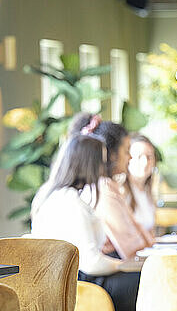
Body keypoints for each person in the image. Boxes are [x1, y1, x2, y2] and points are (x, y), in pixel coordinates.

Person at [30, 133, 142, 311]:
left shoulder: (51, 194)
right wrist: (125, 265)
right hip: (75, 283)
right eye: (101, 160)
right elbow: (91, 263)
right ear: (91, 163)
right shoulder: (71, 202)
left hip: (58, 279)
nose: (103, 167)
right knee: (143, 280)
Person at [68, 113, 155, 259]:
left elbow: (136, 230)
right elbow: (130, 244)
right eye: (127, 151)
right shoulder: (102, 188)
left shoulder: (109, 185)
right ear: (112, 154)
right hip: (105, 269)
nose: (130, 157)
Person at [126, 134, 159, 233]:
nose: (145, 162)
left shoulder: (148, 192)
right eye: (139, 156)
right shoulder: (122, 191)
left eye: (149, 157)